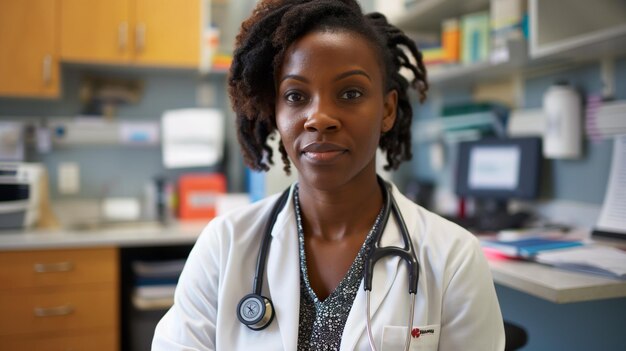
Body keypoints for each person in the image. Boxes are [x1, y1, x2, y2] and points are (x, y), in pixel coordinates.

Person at [152, 0, 505, 350]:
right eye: (295, 95)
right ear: (275, 112)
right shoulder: (225, 245)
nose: (319, 117)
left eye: (350, 93)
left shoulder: (453, 258)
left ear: (387, 109)